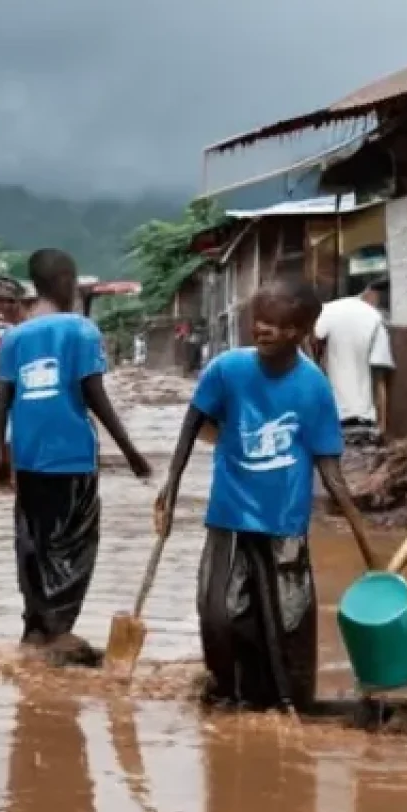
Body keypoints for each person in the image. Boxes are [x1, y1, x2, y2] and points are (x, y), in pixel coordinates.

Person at [154, 277, 374, 712]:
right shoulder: (226, 370)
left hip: (283, 523)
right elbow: (193, 422)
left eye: (276, 324)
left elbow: (330, 470)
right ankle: (227, 696)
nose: (262, 330)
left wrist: (368, 549)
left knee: (287, 621)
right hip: (230, 514)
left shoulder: (313, 388)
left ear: (300, 331)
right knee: (221, 613)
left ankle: (288, 702)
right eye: (258, 321)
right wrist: (171, 486)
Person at [0, 248, 153, 661]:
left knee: (34, 543)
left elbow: (3, 400)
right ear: (66, 281)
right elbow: (93, 395)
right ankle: (58, 632)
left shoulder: (14, 337)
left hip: (27, 458)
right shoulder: (81, 332)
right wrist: (131, 451)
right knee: (74, 545)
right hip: (72, 458)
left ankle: (35, 630)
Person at [312, 279, 395, 444]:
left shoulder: (326, 311)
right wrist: (382, 427)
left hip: (330, 418)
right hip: (364, 422)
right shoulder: (375, 319)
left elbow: (312, 343)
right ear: (372, 294)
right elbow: (380, 381)